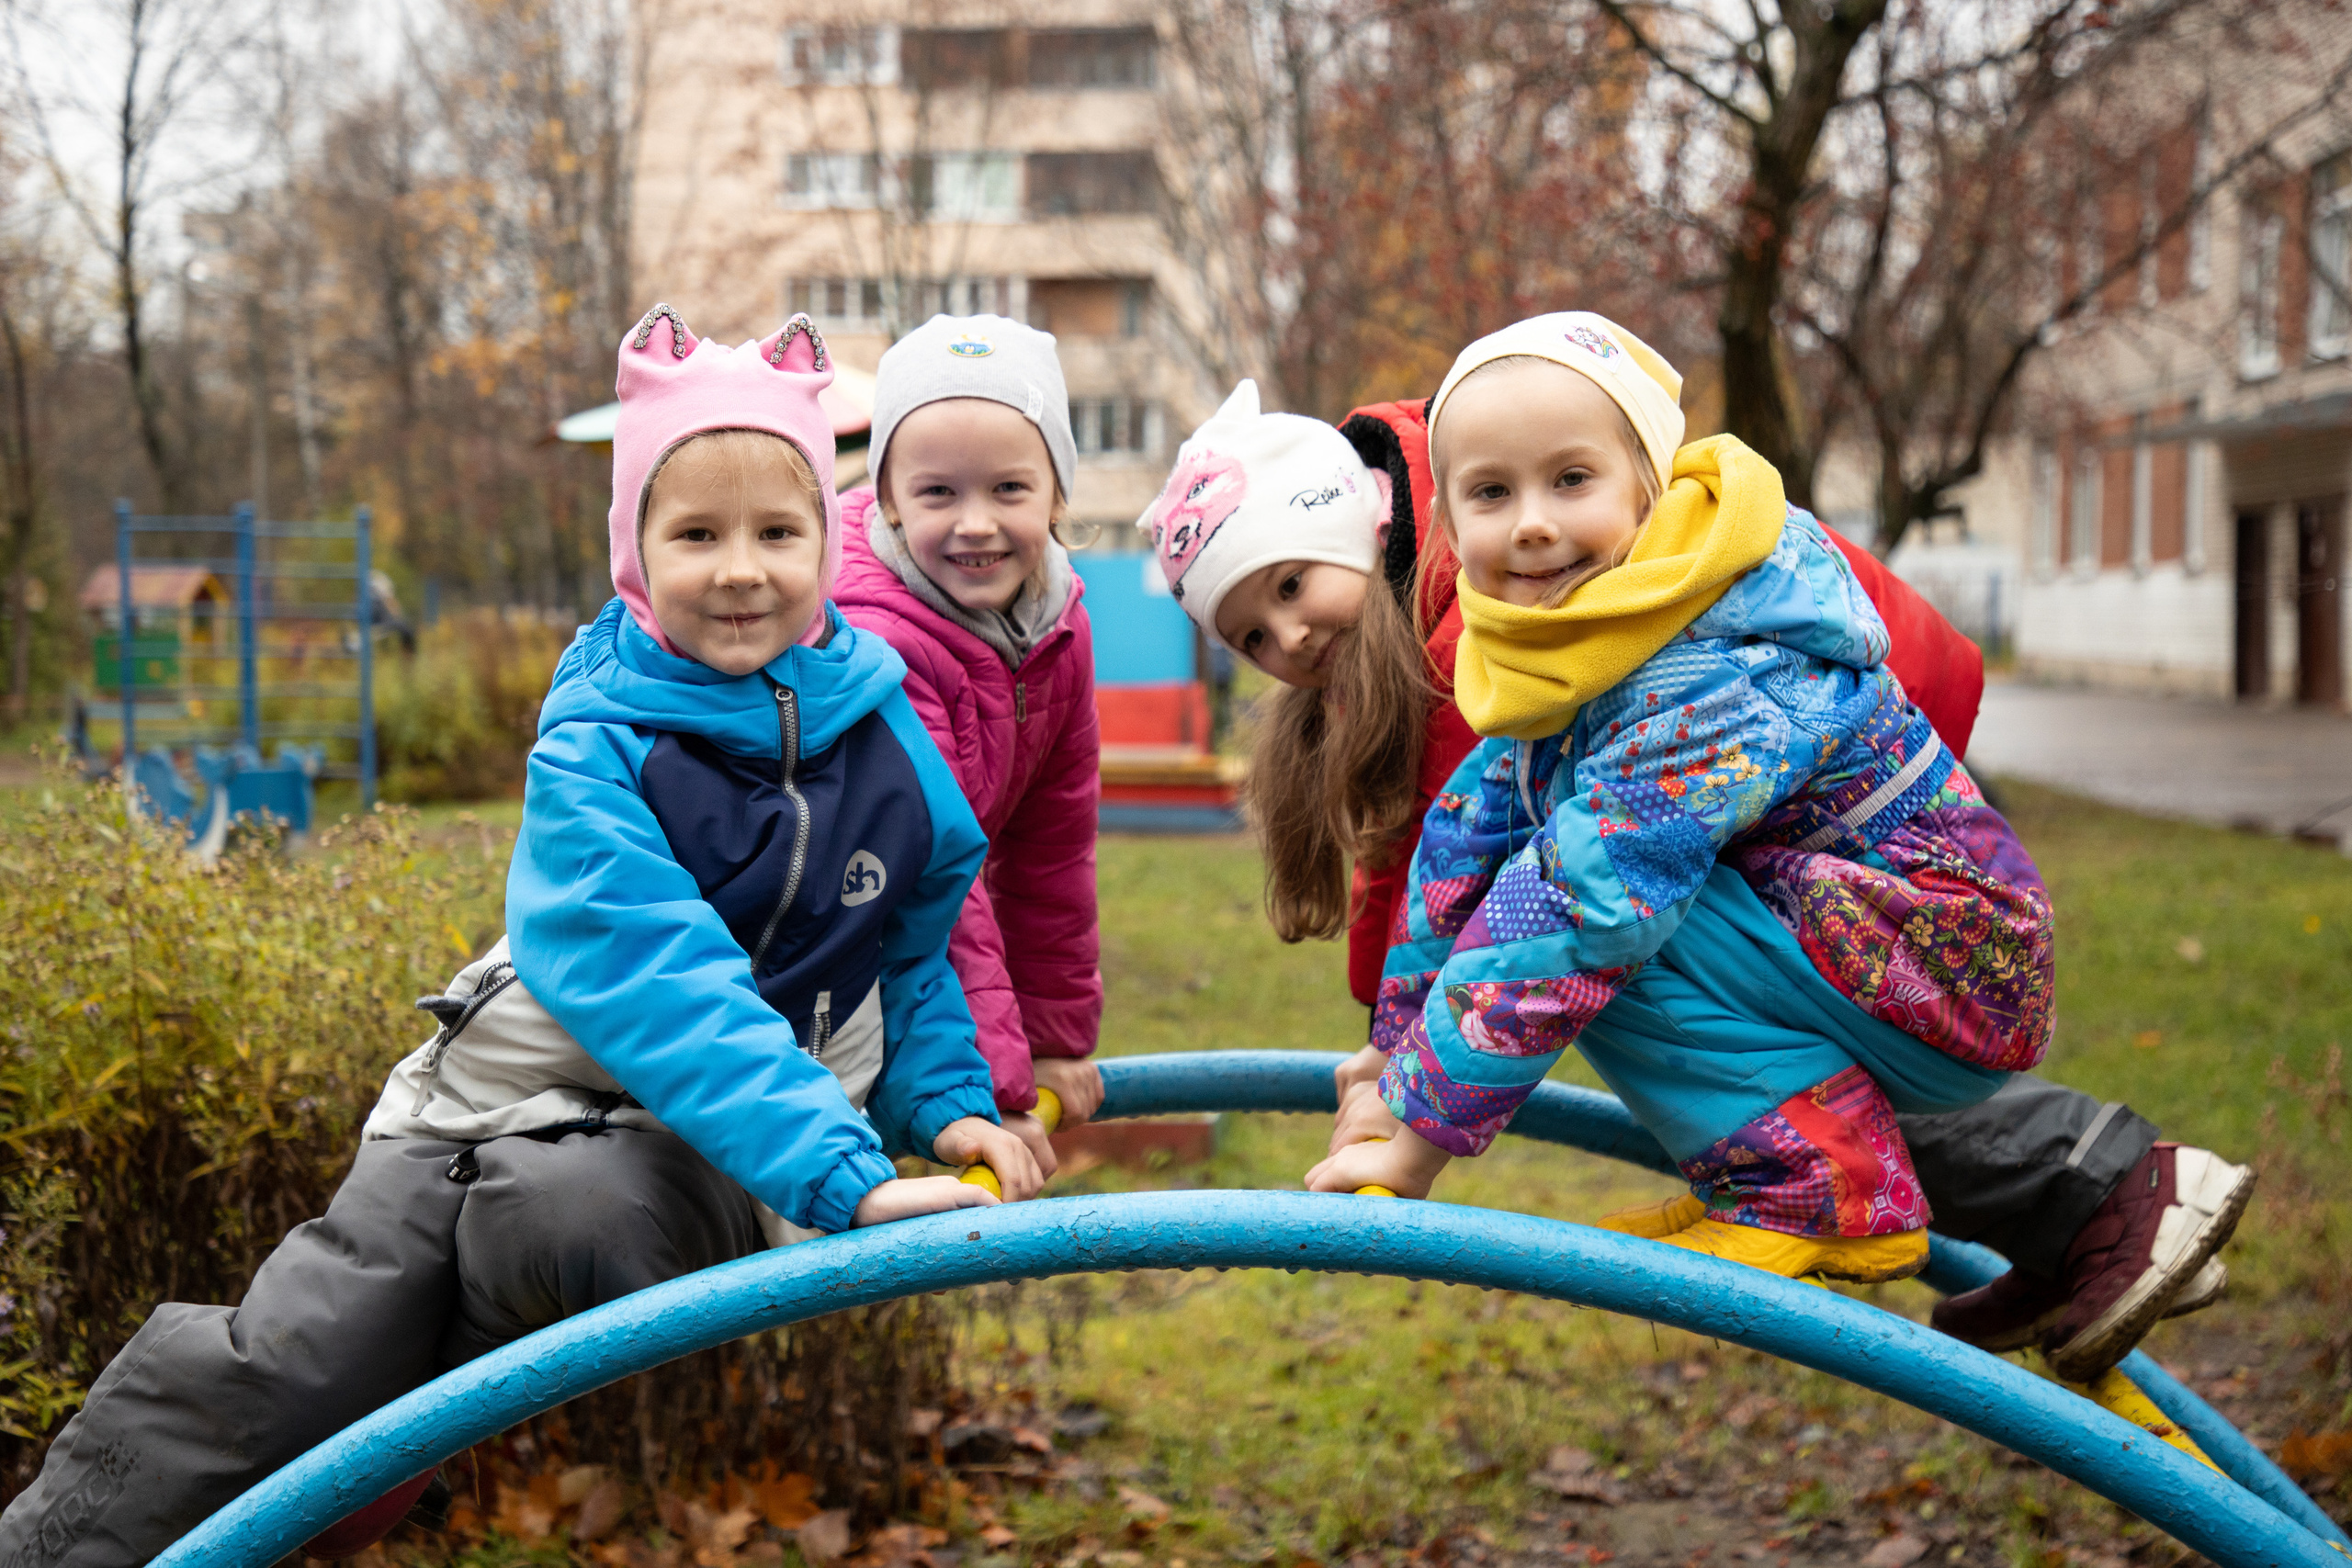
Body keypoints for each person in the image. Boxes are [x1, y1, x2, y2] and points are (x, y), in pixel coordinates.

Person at [0, 307, 1040, 1568]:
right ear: (634, 551)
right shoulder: (599, 738)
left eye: (778, 530)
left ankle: (352, 1458)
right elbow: (661, 979)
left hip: (704, 1142)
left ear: (829, 538)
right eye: (695, 532)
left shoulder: (883, 738)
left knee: (572, 1222)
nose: (740, 568)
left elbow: (912, 946)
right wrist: (846, 1173)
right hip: (485, 1110)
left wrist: (949, 1103)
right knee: (297, 1350)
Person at [1142, 344, 2248, 1370]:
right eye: (1248, 633)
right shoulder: (1545, 631)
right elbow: (1450, 849)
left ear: (1645, 481)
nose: (1529, 526)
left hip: (1945, 934)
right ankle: (1946, 1200)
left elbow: (1570, 901)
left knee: (1592, 923)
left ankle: (1839, 1185)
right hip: (1830, 880)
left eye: (1289, 587)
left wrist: (1419, 1127)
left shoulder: (1678, 658)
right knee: (1580, 905)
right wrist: (1395, 1052)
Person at [831, 314, 1104, 1153]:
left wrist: (1056, 1038)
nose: (975, 522)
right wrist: (999, 1080)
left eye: (1009, 490)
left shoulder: (1058, 626)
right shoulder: (881, 641)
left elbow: (1052, 851)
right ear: (888, 501)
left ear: (1056, 493)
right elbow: (941, 884)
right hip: (837, 962)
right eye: (938, 493)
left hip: (921, 967)